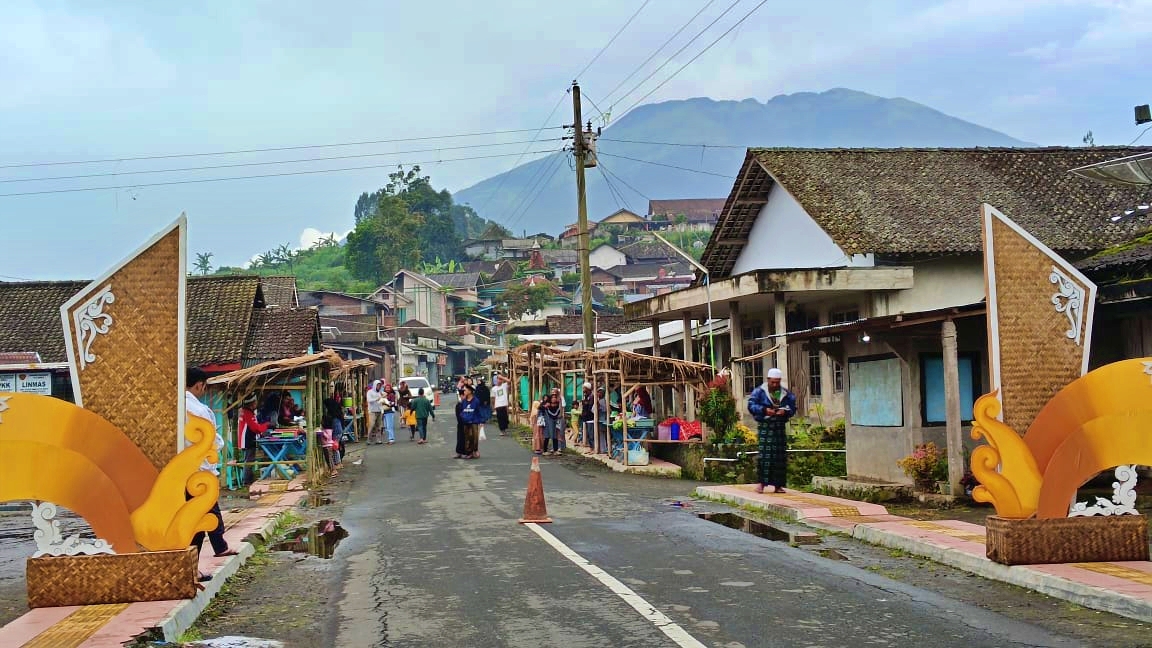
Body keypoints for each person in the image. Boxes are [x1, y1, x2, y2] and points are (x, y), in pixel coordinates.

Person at [185, 367, 238, 583]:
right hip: (201, 471)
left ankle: (214, 551)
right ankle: (194, 566)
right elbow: (214, 441)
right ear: (199, 385)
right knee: (204, 516)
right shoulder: (199, 409)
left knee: (191, 517)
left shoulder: (172, 407)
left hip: (176, 473)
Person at [748, 368, 797, 494]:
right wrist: (764, 410)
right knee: (765, 456)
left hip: (779, 427)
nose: (775, 385)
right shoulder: (759, 392)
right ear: (768, 380)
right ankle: (761, 484)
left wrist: (785, 411)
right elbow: (751, 405)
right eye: (773, 382)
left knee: (779, 458)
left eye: (777, 382)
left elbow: (792, 407)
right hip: (766, 426)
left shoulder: (784, 393)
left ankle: (778, 485)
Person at [238, 391, 272, 486]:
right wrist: (266, 425)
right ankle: (247, 481)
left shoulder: (247, 412)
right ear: (252, 403)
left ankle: (248, 479)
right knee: (248, 460)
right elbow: (255, 428)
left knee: (249, 460)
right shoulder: (247, 413)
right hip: (247, 440)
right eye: (255, 402)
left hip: (248, 439)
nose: (256, 403)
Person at [457, 383, 485, 459]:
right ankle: (469, 453)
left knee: (474, 437)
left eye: (465, 390)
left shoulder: (476, 401)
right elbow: (462, 411)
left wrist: (481, 421)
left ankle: (475, 451)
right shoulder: (464, 401)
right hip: (466, 422)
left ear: (470, 391)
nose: (464, 392)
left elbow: (479, 412)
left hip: (474, 422)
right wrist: (463, 416)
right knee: (467, 438)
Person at [366, 380, 383, 445]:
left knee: (379, 426)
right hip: (372, 411)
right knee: (371, 425)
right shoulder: (370, 392)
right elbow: (369, 400)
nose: (379, 387)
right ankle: (369, 439)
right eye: (378, 385)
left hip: (379, 410)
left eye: (380, 385)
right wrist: (376, 399)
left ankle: (378, 439)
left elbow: (382, 399)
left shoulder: (380, 392)